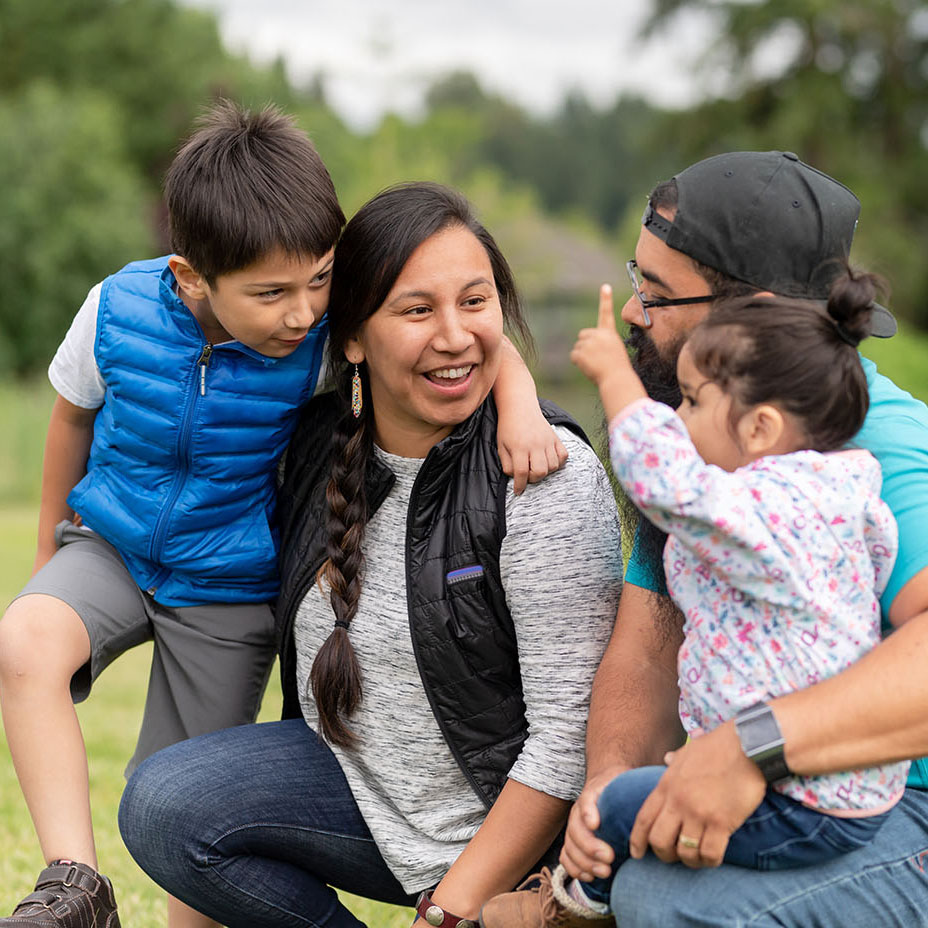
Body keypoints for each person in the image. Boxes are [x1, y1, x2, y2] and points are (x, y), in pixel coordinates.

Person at [0, 107, 564, 928]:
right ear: (192, 277)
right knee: (24, 640)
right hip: (112, 545)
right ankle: (73, 884)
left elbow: (467, 328)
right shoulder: (114, 311)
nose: (301, 313)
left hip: (228, 584)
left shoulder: (318, 332)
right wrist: (51, 549)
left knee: (182, 801)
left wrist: (520, 411)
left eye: (318, 280)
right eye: (270, 294)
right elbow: (70, 418)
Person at [115, 181, 624, 928]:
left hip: (504, 834)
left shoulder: (539, 475)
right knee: (165, 805)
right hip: (360, 796)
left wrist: (449, 912)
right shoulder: (315, 441)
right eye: (416, 310)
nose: (453, 335)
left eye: (474, 302)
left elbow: (566, 742)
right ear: (352, 336)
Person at [551, 150, 928, 927]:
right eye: (634, 281)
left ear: (747, 315)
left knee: (667, 901)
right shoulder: (708, 437)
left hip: (894, 800)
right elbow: (649, 647)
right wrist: (608, 797)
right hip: (791, 789)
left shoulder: (877, 445)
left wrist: (751, 746)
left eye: (655, 294)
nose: (630, 312)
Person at [480, 270, 911, 927]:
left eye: (689, 402)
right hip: (839, 789)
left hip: (801, 799)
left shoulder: (768, 506)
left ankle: (575, 907)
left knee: (614, 810)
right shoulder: (841, 487)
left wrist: (615, 379)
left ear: (762, 428)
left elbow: (669, 481)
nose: (677, 419)